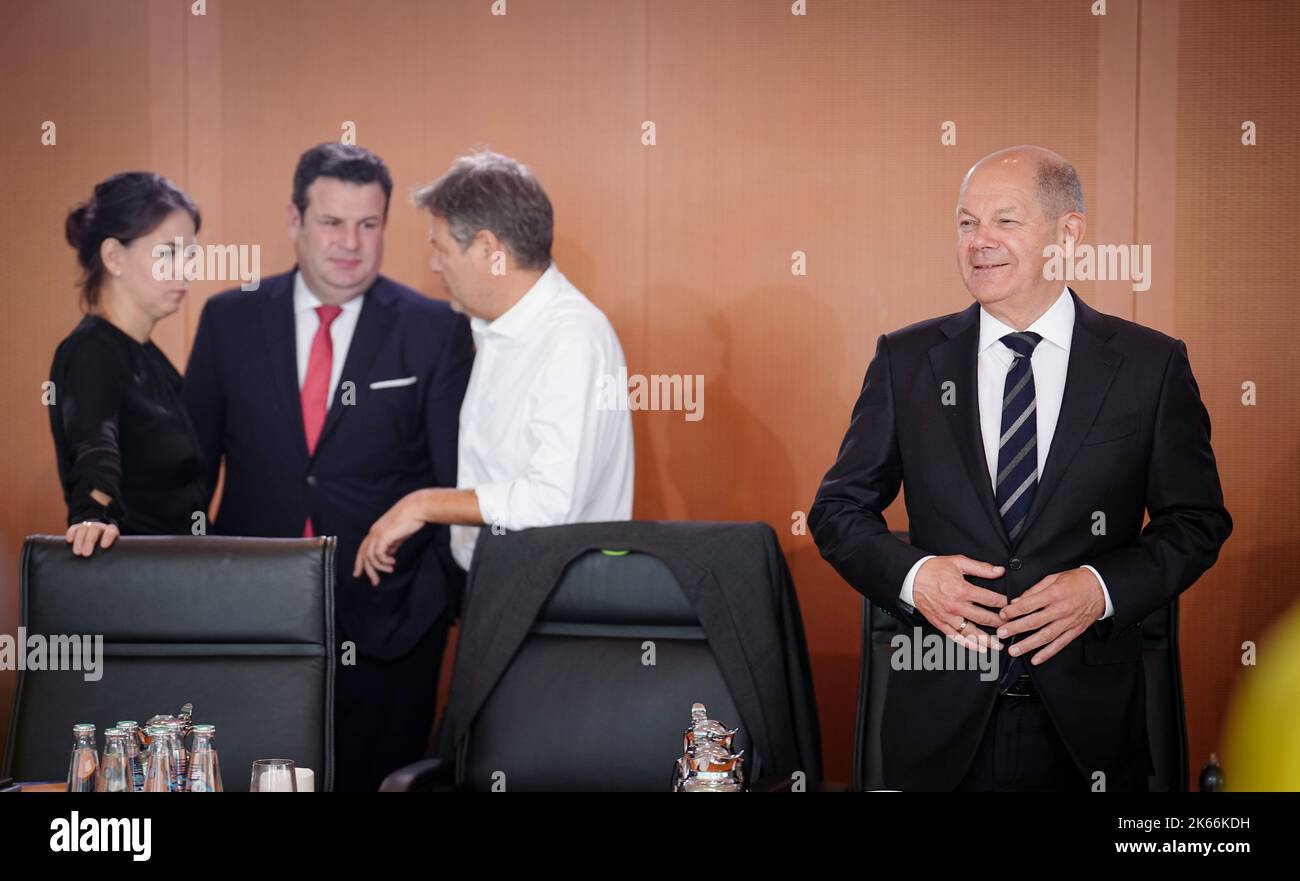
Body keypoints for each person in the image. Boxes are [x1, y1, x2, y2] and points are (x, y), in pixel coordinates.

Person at [809, 146, 1231, 791]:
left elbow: (1196, 521)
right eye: (965, 223)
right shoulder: (907, 359)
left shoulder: (1150, 365)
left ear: (1067, 234)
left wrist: (1101, 588)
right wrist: (915, 576)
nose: (980, 242)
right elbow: (837, 511)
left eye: (1005, 222)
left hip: (1087, 728)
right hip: (940, 723)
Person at [182, 143, 474, 792]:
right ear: (294, 220)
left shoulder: (435, 329)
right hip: (252, 617)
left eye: (368, 224)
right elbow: (193, 473)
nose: (351, 243)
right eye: (332, 222)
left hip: (391, 625)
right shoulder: (229, 319)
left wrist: (442, 603)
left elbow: (454, 479)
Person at [354, 150, 633, 583]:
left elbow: (550, 502)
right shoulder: (497, 329)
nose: (434, 265)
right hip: (499, 588)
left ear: (487, 249)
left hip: (551, 606)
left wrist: (423, 504)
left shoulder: (572, 339)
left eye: (440, 248)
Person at [50, 172, 208, 556]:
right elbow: (94, 445)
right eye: (167, 253)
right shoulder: (92, 351)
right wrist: (93, 512)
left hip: (178, 578)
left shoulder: (149, 357)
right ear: (114, 257)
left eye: (189, 255)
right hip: (138, 587)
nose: (185, 270)